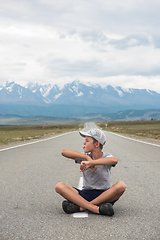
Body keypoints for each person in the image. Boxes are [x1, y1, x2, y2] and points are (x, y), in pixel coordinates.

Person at [55, 128, 126, 216]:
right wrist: (87, 158)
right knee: (59, 186)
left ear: (97, 144)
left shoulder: (106, 157)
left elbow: (114, 160)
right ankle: (96, 208)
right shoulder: (85, 157)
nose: (84, 143)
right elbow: (64, 152)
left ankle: (81, 207)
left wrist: (92, 162)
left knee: (121, 185)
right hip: (86, 194)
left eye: (87, 141)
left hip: (104, 195)